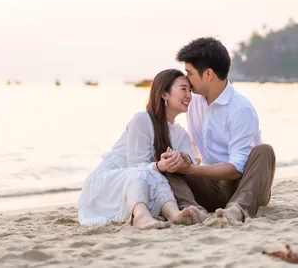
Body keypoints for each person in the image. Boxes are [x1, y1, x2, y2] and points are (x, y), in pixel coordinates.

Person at [163, 37, 276, 223]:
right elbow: (195, 150)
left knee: (264, 151)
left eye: (189, 73)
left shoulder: (240, 109)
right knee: (168, 164)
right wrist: (183, 161)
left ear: (208, 75)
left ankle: (237, 210)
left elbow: (236, 169)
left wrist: (191, 169)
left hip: (245, 186)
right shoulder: (194, 103)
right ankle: (194, 211)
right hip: (211, 187)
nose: (186, 79)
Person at [78, 69, 208, 229]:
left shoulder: (181, 133)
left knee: (157, 174)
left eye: (190, 90)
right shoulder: (142, 121)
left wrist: (181, 159)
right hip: (110, 184)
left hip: (142, 184)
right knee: (147, 172)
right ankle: (141, 216)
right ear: (164, 94)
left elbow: (190, 160)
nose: (189, 95)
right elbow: (135, 166)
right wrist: (160, 166)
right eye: (183, 89)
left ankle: (175, 215)